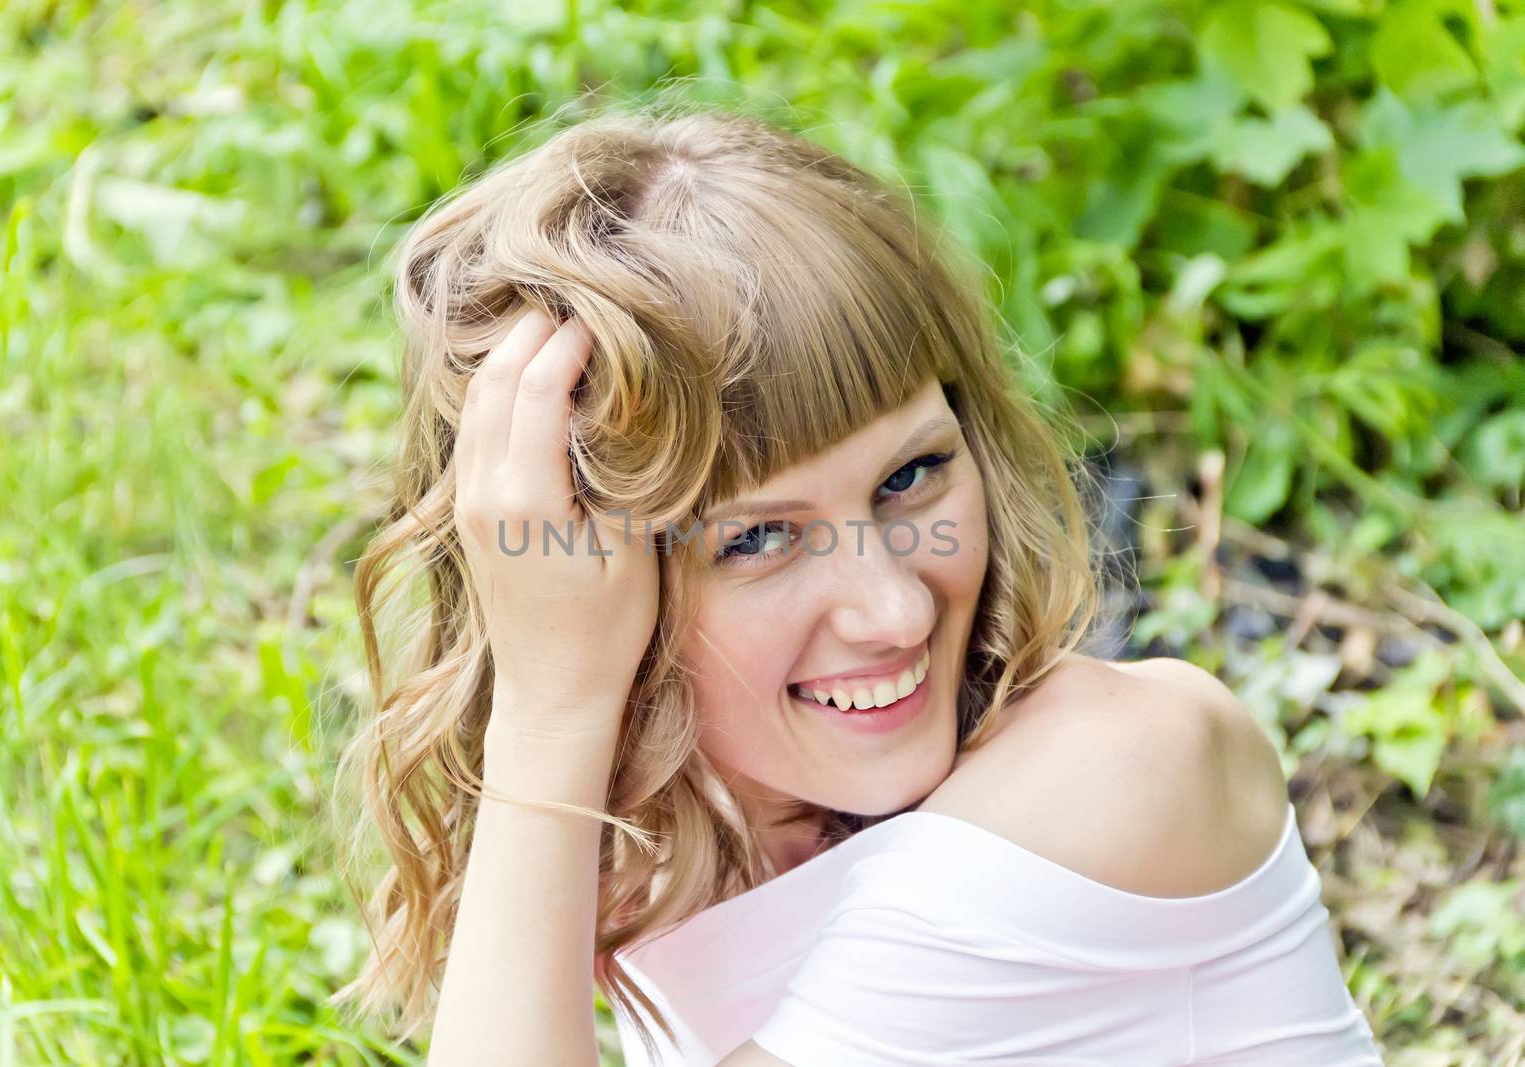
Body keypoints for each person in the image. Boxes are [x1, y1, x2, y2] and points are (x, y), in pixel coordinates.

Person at [328, 101, 1385, 1066]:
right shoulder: (699, 846)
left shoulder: (1111, 772)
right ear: (583, 576)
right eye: (756, 540)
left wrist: (552, 708)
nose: (894, 607)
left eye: (911, 475)